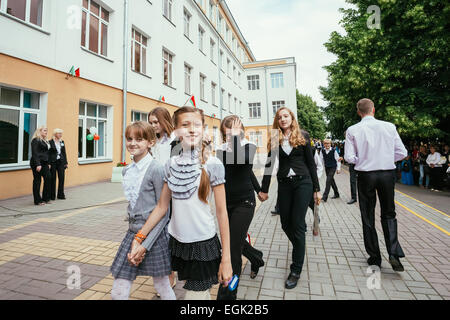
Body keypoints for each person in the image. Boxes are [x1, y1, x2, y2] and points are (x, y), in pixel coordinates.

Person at [128, 107, 232, 300]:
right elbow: (161, 207)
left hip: (203, 245)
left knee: (195, 297)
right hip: (176, 243)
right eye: (185, 125)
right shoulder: (171, 164)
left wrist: (227, 259)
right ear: (175, 130)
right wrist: (139, 237)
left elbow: (222, 212)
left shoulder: (213, 164)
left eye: (197, 124)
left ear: (203, 128)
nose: (192, 130)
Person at [110, 121, 175, 300]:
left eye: (139, 139)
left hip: (154, 235)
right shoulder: (126, 171)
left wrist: (144, 244)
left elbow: (164, 212)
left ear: (150, 142)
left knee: (162, 284)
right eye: (129, 138)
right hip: (132, 234)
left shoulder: (157, 169)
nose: (133, 143)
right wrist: (135, 237)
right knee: (119, 285)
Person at [258, 107, 321, 289]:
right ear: (277, 121)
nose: (283, 119)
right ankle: (300, 244)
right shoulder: (276, 138)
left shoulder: (303, 135)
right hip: (284, 183)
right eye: (279, 117)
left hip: (304, 183)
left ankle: (296, 269)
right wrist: (264, 189)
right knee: (286, 223)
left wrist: (316, 189)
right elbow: (269, 165)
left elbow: (311, 163)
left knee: (297, 222)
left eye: (286, 116)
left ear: (292, 118)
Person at [344, 98, 407, 272]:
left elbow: (349, 157)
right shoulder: (389, 126)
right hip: (387, 174)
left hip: (366, 175)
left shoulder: (352, 130)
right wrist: (386, 158)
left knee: (368, 215)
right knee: (389, 213)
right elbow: (402, 152)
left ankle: (375, 257)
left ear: (359, 112)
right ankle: (393, 253)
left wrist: (362, 160)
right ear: (373, 110)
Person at [215, 116, 265, 300]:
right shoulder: (221, 149)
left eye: (234, 131)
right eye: (227, 132)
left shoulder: (248, 146)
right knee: (233, 241)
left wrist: (259, 190)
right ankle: (256, 257)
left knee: (233, 249)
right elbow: (228, 172)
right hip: (226, 203)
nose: (230, 135)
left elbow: (242, 163)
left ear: (241, 130)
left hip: (244, 203)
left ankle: (228, 294)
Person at [148, 106, 177, 290]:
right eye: (150, 123)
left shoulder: (174, 141)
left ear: (164, 120)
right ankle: (163, 274)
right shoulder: (154, 142)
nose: (153, 126)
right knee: (157, 236)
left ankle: (170, 273)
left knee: (169, 236)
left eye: (156, 122)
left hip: (173, 195)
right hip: (154, 195)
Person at [30, 126, 52, 205]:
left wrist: (48, 163)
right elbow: (35, 153)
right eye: (45, 130)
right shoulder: (35, 140)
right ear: (39, 131)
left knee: (48, 178)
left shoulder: (45, 141)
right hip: (37, 163)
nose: (46, 132)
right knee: (37, 181)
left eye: (47, 130)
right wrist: (38, 164)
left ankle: (46, 198)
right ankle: (37, 200)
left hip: (45, 163)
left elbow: (47, 153)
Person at [49, 129, 68, 200]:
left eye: (61, 133)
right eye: (59, 133)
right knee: (53, 178)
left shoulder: (62, 142)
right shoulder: (50, 142)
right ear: (55, 134)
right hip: (53, 162)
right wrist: (49, 163)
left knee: (62, 178)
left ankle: (60, 194)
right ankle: (52, 195)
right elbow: (49, 153)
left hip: (61, 161)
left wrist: (66, 162)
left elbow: (64, 152)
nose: (60, 135)